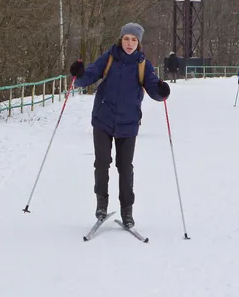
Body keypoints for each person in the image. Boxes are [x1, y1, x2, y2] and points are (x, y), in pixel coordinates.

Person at [69, 22, 171, 228]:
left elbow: (153, 88)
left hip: (128, 123)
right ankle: (101, 205)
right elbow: (88, 77)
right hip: (103, 119)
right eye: (126, 38)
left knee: (125, 168)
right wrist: (78, 75)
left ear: (139, 43)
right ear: (121, 39)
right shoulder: (108, 58)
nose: (130, 43)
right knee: (102, 162)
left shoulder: (144, 65)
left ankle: (127, 211)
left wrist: (162, 92)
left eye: (134, 40)